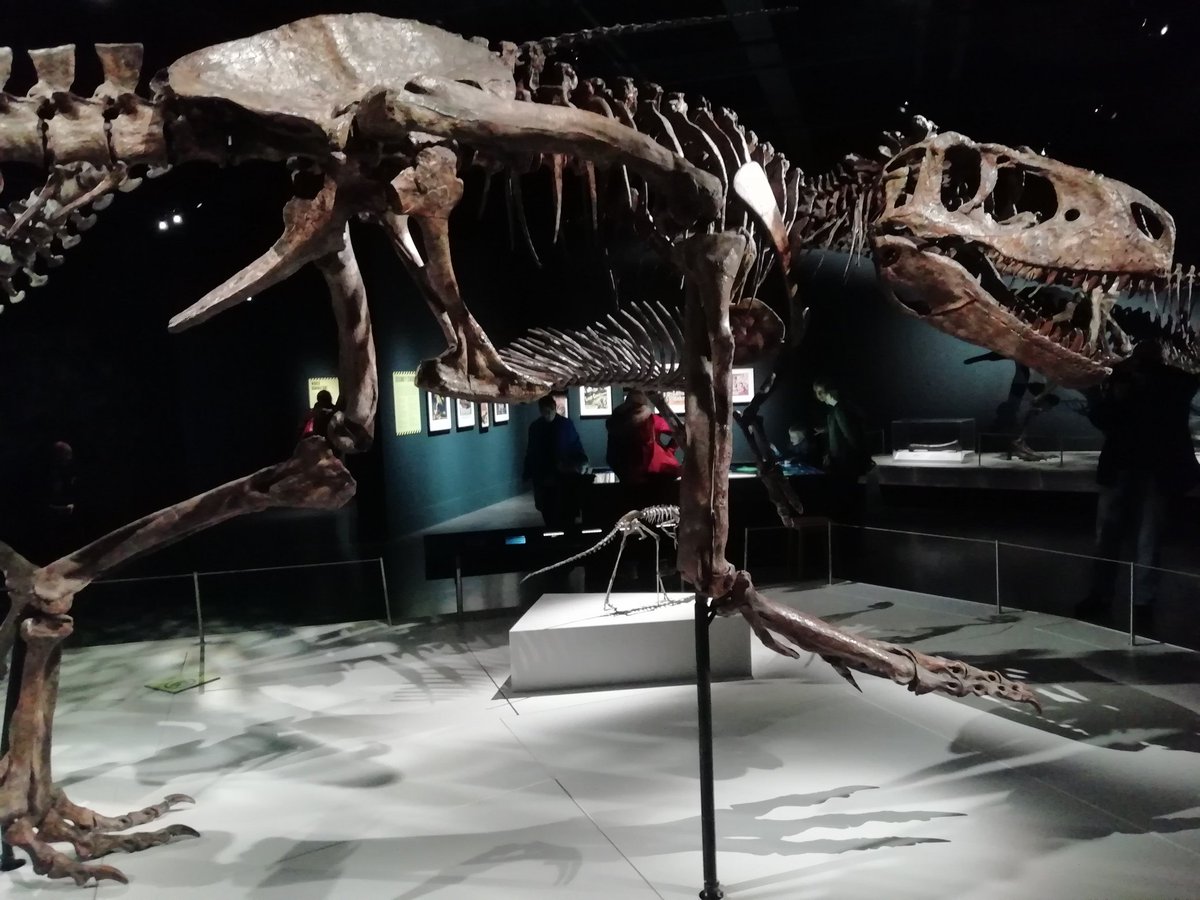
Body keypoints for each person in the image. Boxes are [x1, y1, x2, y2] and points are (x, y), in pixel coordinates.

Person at [1076, 340, 1200, 633]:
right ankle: (1116, 597)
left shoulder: (1169, 381)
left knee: (1138, 537)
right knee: (1121, 535)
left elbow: (1107, 419)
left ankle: (1128, 598)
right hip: (1129, 468)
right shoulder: (1173, 382)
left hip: (1145, 470)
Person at [523, 394, 588, 527]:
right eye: (543, 412)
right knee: (548, 512)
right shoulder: (536, 427)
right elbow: (531, 451)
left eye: (548, 411)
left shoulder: (564, 425)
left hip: (563, 476)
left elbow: (575, 445)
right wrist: (528, 471)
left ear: (554, 408)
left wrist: (579, 462)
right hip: (545, 476)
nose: (546, 415)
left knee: (566, 510)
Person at [605, 390, 681, 487]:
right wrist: (671, 449)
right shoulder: (650, 420)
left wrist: (670, 449)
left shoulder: (616, 424)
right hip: (657, 475)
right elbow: (677, 430)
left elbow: (612, 458)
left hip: (629, 478)